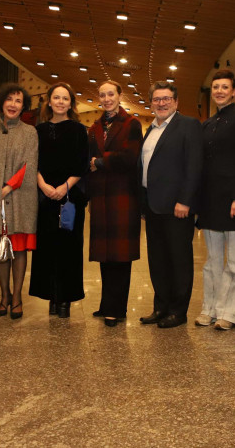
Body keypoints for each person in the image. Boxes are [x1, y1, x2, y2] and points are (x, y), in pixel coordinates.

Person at [138, 81, 203, 328]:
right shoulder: (151, 129)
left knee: (179, 260)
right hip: (153, 207)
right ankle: (160, 307)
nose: (161, 103)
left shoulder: (188, 126)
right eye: (157, 99)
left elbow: (194, 166)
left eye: (166, 99)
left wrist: (185, 200)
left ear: (176, 102)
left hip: (177, 207)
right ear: (151, 102)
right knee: (158, 260)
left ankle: (178, 311)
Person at [195, 70, 235, 331]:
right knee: (212, 261)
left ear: (234, 91)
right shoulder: (207, 124)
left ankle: (231, 312)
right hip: (210, 200)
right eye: (215, 86)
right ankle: (211, 308)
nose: (219, 91)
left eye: (224, 87)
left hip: (233, 200)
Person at [0, 83, 38, 320]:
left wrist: (9, 186)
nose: (13, 104)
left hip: (20, 197)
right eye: (9, 99)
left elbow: (29, 165)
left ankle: (17, 298)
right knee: (0, 248)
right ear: (1, 103)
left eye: (18, 101)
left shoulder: (30, 132)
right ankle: (4, 295)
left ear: (24, 106)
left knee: (19, 248)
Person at [29, 83, 89, 318]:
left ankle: (66, 298)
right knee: (46, 248)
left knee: (69, 249)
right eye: (57, 97)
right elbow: (32, 161)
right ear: (49, 101)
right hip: (44, 197)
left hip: (70, 199)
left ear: (71, 103)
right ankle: (51, 296)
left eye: (65, 98)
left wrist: (64, 187)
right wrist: (43, 186)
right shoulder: (39, 130)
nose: (61, 102)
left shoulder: (78, 130)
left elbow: (82, 164)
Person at [87, 81, 142, 327]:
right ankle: (106, 304)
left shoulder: (132, 124)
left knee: (120, 256)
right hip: (100, 196)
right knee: (105, 254)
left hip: (123, 197)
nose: (107, 98)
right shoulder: (95, 126)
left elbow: (130, 158)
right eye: (103, 95)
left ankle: (117, 308)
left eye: (111, 94)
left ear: (120, 96)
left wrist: (100, 162)